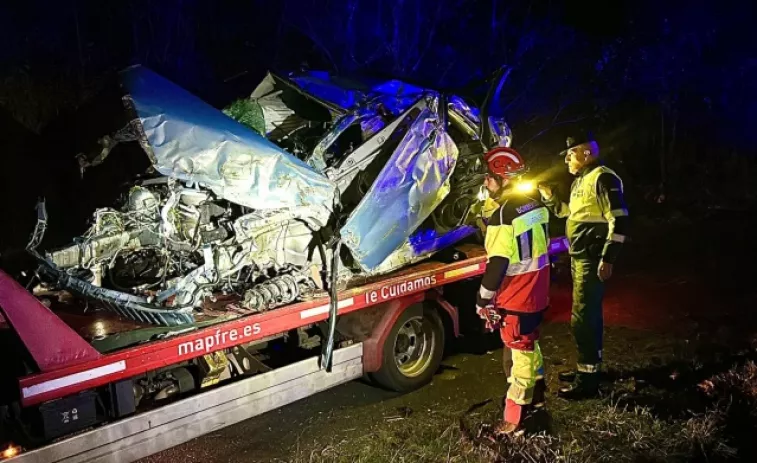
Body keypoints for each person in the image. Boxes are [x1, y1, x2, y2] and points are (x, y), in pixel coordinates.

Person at [538, 133, 630, 400]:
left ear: (586, 153)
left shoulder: (604, 178)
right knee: (583, 316)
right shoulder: (582, 181)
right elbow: (570, 213)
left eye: (571, 154)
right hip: (580, 258)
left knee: (584, 318)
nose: (566, 159)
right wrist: (550, 198)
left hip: (592, 259)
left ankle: (588, 380)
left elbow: (620, 221)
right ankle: (587, 368)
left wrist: (608, 258)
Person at [475, 146, 551, 435]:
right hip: (538, 291)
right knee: (531, 345)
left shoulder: (503, 216)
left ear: (503, 178)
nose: (486, 183)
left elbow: (498, 264)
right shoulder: (536, 205)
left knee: (519, 353)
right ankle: (539, 397)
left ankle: (514, 418)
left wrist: (482, 298)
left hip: (517, 295)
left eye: (489, 178)